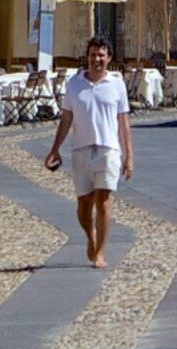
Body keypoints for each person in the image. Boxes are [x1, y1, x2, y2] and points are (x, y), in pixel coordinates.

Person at [42, 37, 134, 267]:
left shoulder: (117, 84)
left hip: (108, 150)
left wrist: (129, 157)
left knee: (103, 201)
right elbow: (66, 118)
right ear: (87, 57)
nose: (97, 59)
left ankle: (100, 252)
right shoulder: (74, 84)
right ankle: (90, 235)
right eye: (93, 55)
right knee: (84, 205)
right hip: (81, 150)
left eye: (101, 55)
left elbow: (123, 122)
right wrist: (55, 149)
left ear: (109, 58)